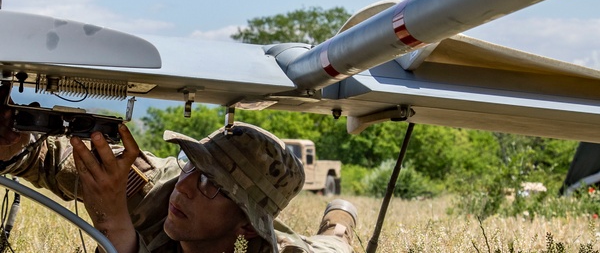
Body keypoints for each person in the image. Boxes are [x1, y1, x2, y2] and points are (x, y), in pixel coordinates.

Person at [0, 84, 358, 253]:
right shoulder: (154, 188)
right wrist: (12, 142)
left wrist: (115, 225)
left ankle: (339, 223)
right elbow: (47, 157)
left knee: (334, 245)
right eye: (193, 165)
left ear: (246, 224)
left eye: (210, 184)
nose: (184, 187)